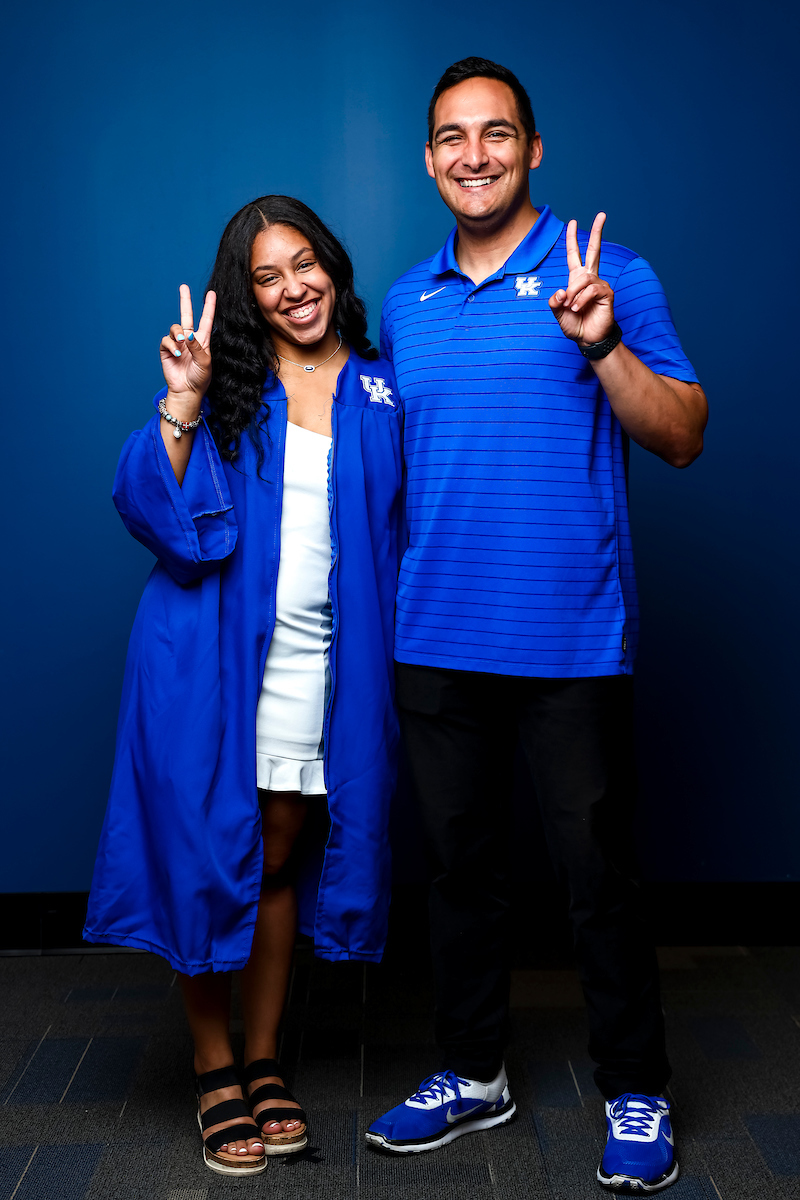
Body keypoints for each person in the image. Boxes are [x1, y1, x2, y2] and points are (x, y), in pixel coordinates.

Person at [366, 58, 707, 1194]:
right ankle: (471, 1072)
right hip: (434, 635)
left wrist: (602, 344)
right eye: (452, 137)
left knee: (594, 875)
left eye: (496, 134)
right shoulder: (406, 302)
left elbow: (681, 434)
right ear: (428, 157)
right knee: (459, 872)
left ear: (532, 149)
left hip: (568, 637)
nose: (473, 154)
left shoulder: (605, 272)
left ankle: (635, 1085)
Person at [84, 196, 404, 1176]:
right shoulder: (223, 394)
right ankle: (214, 1061)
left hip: (329, 664)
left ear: (333, 267)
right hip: (212, 659)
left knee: (278, 850)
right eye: (266, 276)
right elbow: (148, 508)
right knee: (207, 850)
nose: (292, 288)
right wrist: (177, 401)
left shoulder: (384, 389)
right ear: (245, 295)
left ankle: (263, 1057)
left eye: (303, 264)